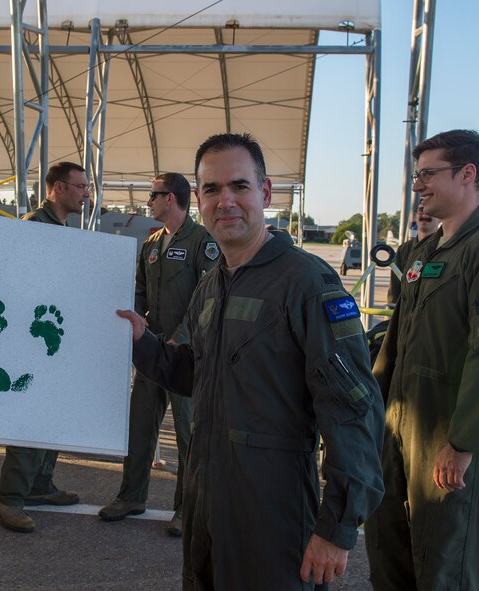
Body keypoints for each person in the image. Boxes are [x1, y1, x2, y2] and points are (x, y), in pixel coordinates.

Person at [116, 133, 384, 590]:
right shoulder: (212, 285)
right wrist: (144, 344)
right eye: (212, 190)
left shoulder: (305, 282)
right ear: (198, 198)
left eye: (239, 186)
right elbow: (196, 371)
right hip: (206, 504)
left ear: (266, 192)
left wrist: (337, 526)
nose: (226, 202)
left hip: (273, 513)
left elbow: (353, 408)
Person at [365, 129, 479, 590]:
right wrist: (374, 414)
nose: (417, 185)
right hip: (402, 424)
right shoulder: (425, 252)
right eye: (415, 174)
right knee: (389, 550)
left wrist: (463, 443)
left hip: (452, 435)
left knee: (445, 566)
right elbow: (396, 342)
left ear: (468, 175)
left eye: (427, 174)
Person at [98, 172, 218, 536]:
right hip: (152, 351)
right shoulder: (151, 243)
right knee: (140, 426)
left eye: (154, 195)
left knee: (188, 435)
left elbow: (209, 294)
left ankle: (186, 509)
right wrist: (138, 324)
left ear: (171, 198)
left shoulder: (202, 242)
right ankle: (132, 495)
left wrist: (181, 337)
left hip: (185, 355)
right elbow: (138, 288)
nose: (148, 202)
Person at [0, 161, 86, 533]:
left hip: (50, 337)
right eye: (79, 186)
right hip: (31, 338)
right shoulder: (34, 226)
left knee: (52, 414)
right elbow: (18, 282)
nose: (85, 193)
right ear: (59, 188)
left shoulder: (60, 227)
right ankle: (8, 495)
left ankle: (40, 485)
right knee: (32, 416)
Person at [386, 204, 440, 304]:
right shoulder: (404, 249)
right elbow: (395, 287)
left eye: (430, 210)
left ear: (440, 218)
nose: (425, 214)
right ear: (415, 216)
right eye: (421, 209)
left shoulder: (445, 247)